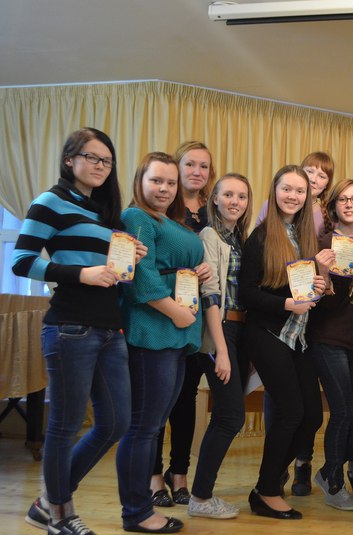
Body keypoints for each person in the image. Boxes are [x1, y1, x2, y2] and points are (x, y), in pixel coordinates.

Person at [14, 128, 145, 535]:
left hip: (110, 329)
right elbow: (22, 260)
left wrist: (130, 256)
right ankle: (60, 514)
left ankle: (47, 501)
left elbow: (112, 274)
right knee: (65, 425)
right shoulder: (50, 201)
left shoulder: (104, 212)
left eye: (107, 160)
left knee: (116, 423)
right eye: (92, 157)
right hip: (70, 327)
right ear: (70, 159)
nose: (100, 166)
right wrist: (81, 273)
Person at [117, 151, 212, 533]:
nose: (164, 188)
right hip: (152, 330)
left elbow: (173, 266)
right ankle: (137, 511)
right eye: (156, 180)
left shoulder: (169, 221)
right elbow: (141, 276)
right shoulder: (136, 216)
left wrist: (199, 271)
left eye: (170, 183)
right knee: (144, 427)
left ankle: (140, 508)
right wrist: (176, 312)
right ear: (140, 180)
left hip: (176, 332)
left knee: (155, 423)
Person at [239, 165, 326, 520]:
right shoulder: (260, 237)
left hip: (298, 337)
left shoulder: (306, 237)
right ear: (274, 192)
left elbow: (302, 288)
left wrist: (318, 286)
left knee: (312, 417)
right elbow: (246, 293)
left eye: (299, 191)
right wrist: (286, 304)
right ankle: (268, 490)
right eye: (286, 189)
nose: (292, 196)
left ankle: (266, 481)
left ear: (308, 197)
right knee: (291, 413)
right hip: (267, 334)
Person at [184, 172, 255, 520]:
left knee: (227, 415)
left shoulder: (239, 238)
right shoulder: (210, 235)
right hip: (219, 330)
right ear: (214, 198)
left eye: (241, 196)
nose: (234, 202)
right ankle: (200, 497)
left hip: (239, 330)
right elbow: (210, 294)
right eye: (228, 195)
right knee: (230, 416)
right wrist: (221, 350)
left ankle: (201, 494)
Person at [151, 141, 215, 508]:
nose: (196, 172)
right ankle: (153, 476)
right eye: (190, 164)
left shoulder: (212, 210)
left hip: (197, 316)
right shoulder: (161, 206)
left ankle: (179, 473)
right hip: (160, 312)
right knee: (158, 398)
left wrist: (206, 268)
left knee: (186, 396)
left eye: (204, 166)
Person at [307, 179, 353, 511]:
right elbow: (324, 303)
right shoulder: (322, 245)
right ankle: (333, 478)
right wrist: (323, 272)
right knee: (343, 410)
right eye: (343, 199)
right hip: (329, 337)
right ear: (333, 206)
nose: (349, 204)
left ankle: (333, 468)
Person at [255, 151, 335, 237]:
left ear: (327, 184)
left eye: (321, 176)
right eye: (309, 171)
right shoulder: (272, 204)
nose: (313, 180)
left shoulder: (329, 214)